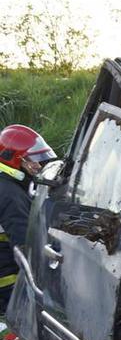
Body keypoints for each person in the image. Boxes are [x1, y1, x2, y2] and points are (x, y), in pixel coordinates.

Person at [0, 126, 57, 310]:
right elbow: (25, 241)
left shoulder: (9, 184)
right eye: (32, 161)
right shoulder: (10, 195)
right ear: (14, 160)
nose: (38, 166)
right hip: (7, 279)